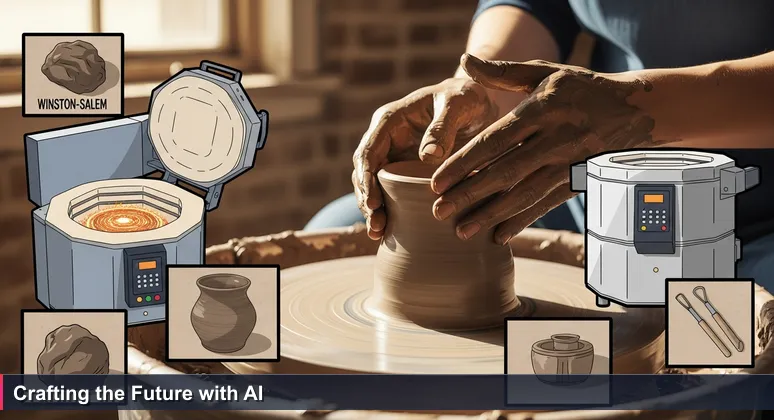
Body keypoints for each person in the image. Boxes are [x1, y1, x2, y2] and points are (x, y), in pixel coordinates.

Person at [305, 0, 774, 289]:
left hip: (750, 217)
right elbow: (534, 3)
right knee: (338, 230)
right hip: (592, 184)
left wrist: (639, 109)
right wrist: (480, 87)